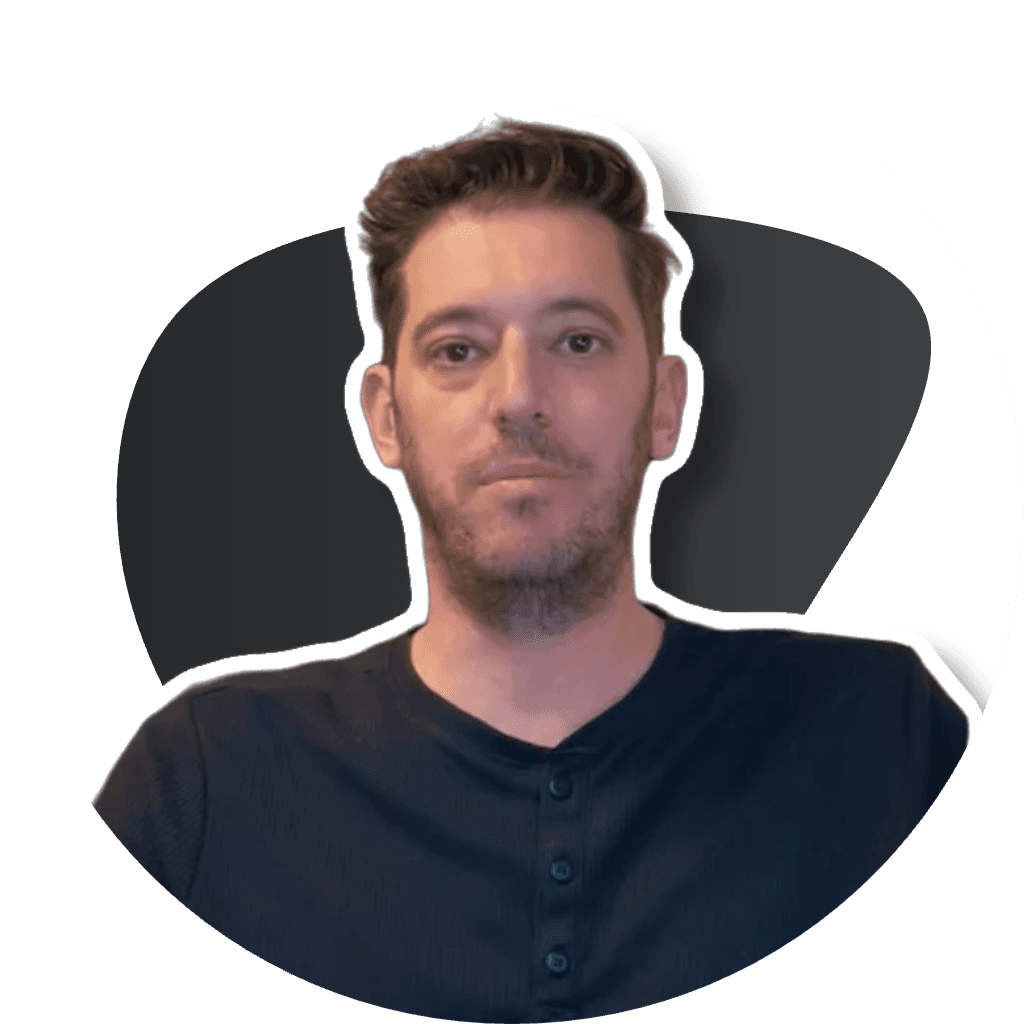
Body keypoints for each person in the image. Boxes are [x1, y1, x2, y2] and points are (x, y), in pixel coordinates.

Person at [95, 120, 967, 1022]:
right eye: (458, 351)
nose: (518, 399)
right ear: (385, 417)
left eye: (578, 342)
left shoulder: (882, 740)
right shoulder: (208, 782)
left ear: (664, 404)